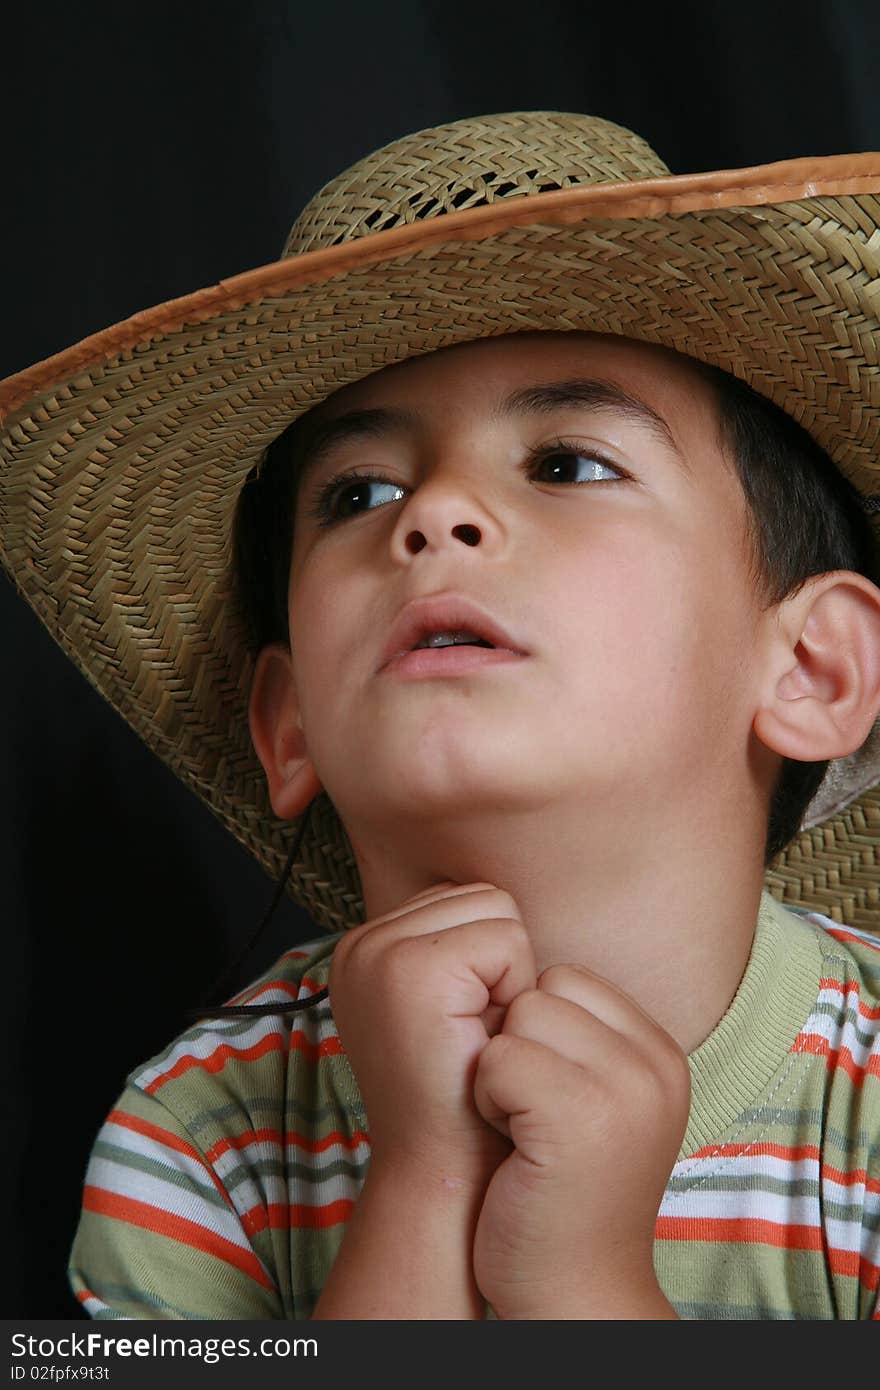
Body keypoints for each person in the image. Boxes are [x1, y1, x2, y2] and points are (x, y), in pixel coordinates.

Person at [2, 111, 879, 1321]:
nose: (435, 518)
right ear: (292, 722)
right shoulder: (199, 1133)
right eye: (358, 493)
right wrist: (421, 1183)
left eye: (565, 463)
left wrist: (582, 1283)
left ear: (815, 671)